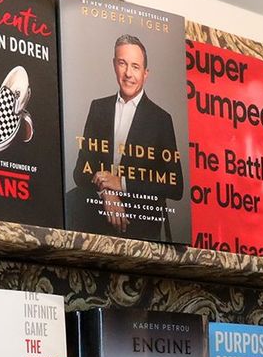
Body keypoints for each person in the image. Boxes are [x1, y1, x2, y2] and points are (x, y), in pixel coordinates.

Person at [70, 34, 183, 242]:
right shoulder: (98, 108)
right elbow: (80, 172)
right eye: (122, 64)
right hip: (98, 211)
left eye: (135, 67)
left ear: (146, 73)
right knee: (72, 200)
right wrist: (106, 191)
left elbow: (175, 188)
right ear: (114, 65)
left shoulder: (161, 119)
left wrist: (120, 183)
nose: (128, 74)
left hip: (139, 220)